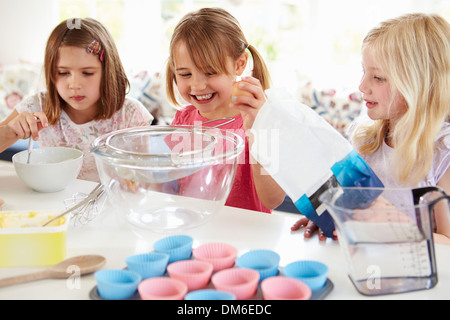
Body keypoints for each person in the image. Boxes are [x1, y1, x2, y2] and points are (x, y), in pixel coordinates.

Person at [292, 13, 450, 244]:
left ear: (421, 86)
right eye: (364, 71)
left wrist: (393, 225)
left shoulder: (442, 154)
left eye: (378, 77)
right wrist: (331, 216)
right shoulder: (363, 137)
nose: (362, 86)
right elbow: (345, 202)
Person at [0, 18, 153, 181]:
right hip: (55, 203)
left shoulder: (130, 115)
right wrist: (10, 131)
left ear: (108, 72)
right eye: (63, 73)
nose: (74, 84)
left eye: (87, 73)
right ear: (52, 74)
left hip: (112, 203)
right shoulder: (37, 106)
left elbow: (144, 179)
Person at [165, 7, 285, 213]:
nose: (197, 85)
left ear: (239, 64)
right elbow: (172, 184)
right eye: (185, 74)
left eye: (210, 72)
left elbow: (273, 200)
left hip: (246, 235)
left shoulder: (261, 120)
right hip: (195, 229)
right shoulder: (183, 119)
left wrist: (257, 131)